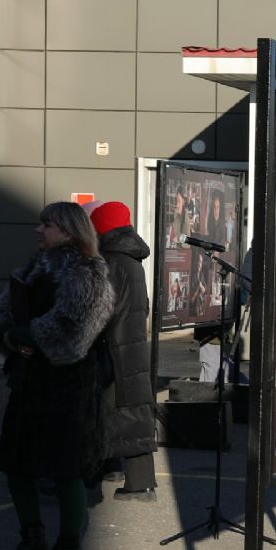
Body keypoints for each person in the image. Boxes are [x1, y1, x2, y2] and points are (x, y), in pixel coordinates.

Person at [0, 202, 114, 550]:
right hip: (28, 380)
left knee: (65, 469)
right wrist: (10, 336)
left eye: (47, 224)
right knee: (15, 464)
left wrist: (26, 336)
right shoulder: (34, 266)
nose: (38, 230)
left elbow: (73, 335)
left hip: (68, 385)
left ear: (70, 230)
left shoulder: (87, 273)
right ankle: (32, 540)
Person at [89, 201, 158, 502]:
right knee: (131, 408)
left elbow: (100, 309)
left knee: (104, 409)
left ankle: (97, 478)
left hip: (112, 346)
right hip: (131, 344)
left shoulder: (109, 261)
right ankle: (124, 474)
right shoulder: (131, 258)